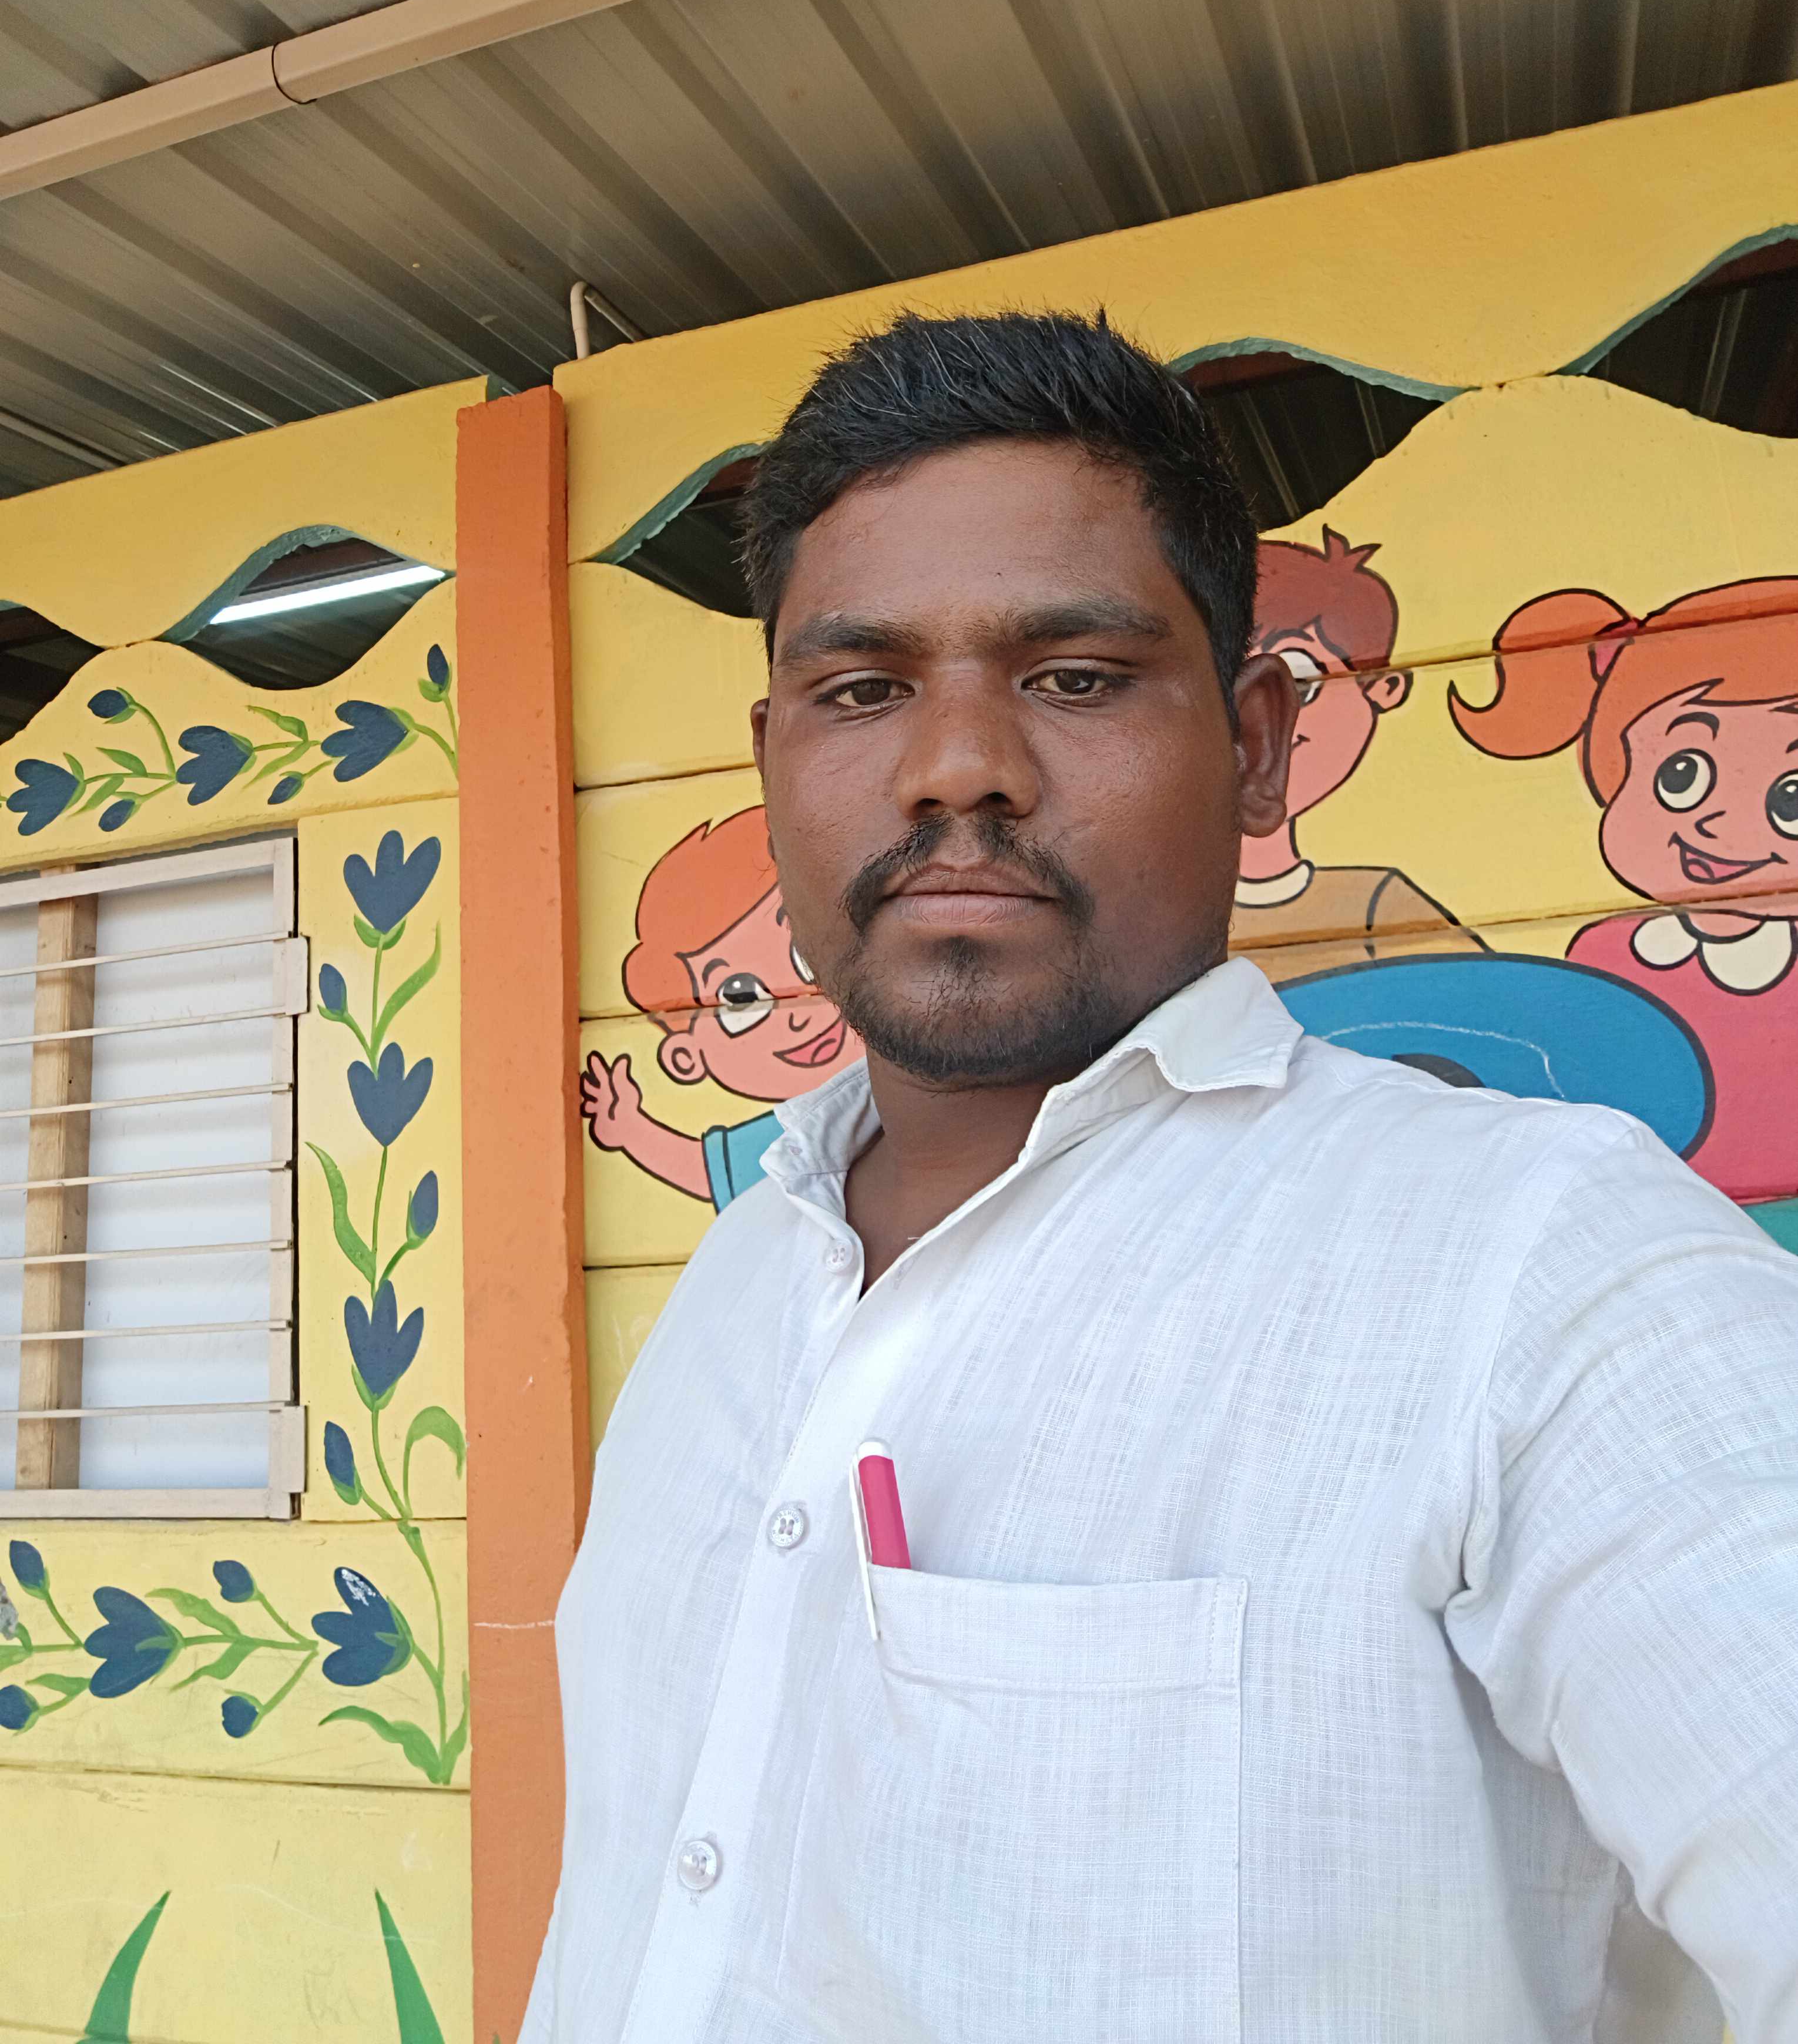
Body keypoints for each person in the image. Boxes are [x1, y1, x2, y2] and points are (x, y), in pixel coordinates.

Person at [525, 311, 1798, 2044]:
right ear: (772, 761)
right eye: (863, 688)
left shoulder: (1545, 1271)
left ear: (1257, 743)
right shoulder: (736, 1284)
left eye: (1073, 675)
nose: (955, 765)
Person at [1453, 580, 1798, 1204]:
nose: (1718, 824)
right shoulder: (1604, 955)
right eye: (1682, 775)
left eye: (1789, 800)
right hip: (1652, 1213)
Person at [580, 805, 863, 1209]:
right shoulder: (783, 1141)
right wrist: (629, 1129)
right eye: (739, 997)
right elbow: (709, 1168)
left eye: (806, 955)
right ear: (685, 1056)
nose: (797, 1018)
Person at [1233, 528, 1479, 975]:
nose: (1260, 725)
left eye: (1299, 687)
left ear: (1384, 689)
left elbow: (1484, 1001)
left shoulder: (1375, 905)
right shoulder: (1158, 921)